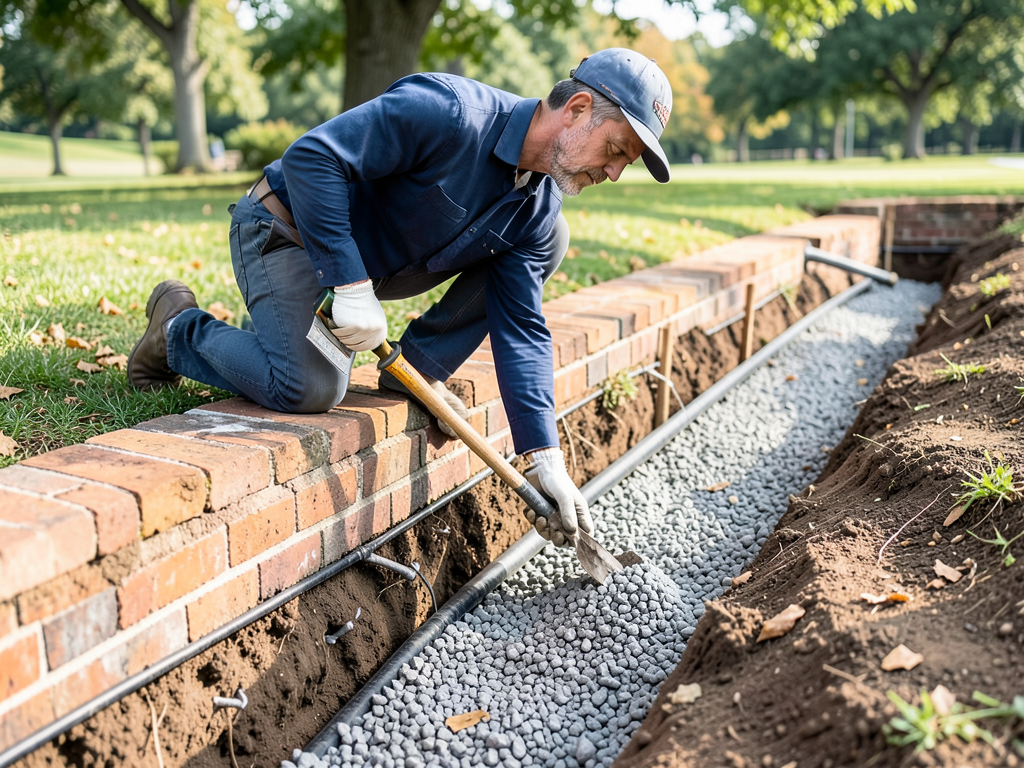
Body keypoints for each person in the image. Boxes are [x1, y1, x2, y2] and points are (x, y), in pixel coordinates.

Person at [127, 47, 672, 548]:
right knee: (311, 386)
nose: (614, 172)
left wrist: (543, 452)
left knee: (550, 239)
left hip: (373, 267)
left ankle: (417, 366)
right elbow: (311, 158)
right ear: (577, 109)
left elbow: (522, 328)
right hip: (288, 231)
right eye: (617, 150)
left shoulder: (537, 209)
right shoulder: (449, 112)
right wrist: (349, 284)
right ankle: (177, 329)